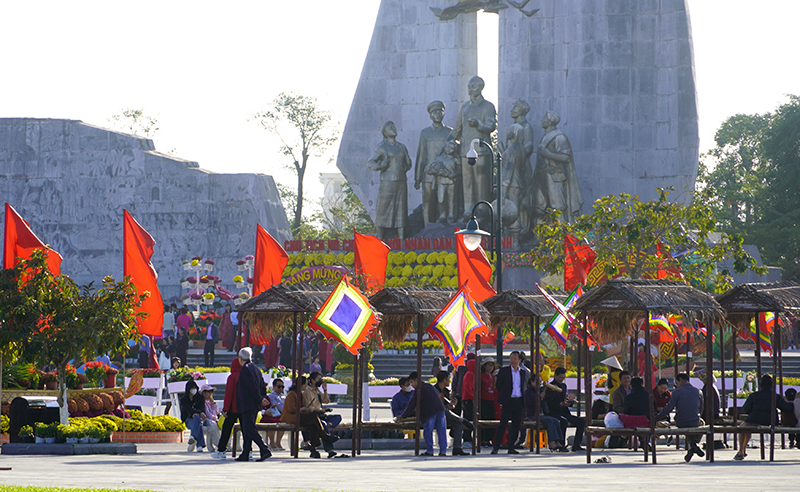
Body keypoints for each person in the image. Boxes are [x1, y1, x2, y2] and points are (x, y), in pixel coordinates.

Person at [450, 75, 497, 218]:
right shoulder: (464, 107)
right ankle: (468, 210)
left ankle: (482, 210)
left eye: (473, 87)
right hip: (465, 151)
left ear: (481, 88)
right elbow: (457, 129)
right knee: (468, 181)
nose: (470, 90)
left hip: (482, 151)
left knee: (481, 182)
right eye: (469, 87)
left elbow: (491, 125)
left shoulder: (488, 106)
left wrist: (478, 124)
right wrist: (448, 142)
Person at [367, 121, 412, 240]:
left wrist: (408, 164)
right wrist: (381, 165)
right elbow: (370, 163)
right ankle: (380, 237)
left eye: (394, 126)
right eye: (390, 127)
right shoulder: (381, 147)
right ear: (385, 132)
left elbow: (408, 163)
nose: (394, 128)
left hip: (401, 181)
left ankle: (401, 238)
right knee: (384, 207)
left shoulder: (402, 147)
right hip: (387, 181)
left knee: (401, 208)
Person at [735, 374, 794, 460]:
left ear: (760, 384)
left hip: (754, 418)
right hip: (770, 419)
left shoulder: (754, 395)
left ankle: (741, 450)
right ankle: (742, 450)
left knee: (742, 428)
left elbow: (746, 409)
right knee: (745, 427)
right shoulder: (776, 396)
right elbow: (786, 408)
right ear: (772, 384)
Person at [280, 376, 338, 458]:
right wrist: (301, 409)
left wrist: (304, 409)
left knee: (312, 425)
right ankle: (325, 436)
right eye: (305, 384)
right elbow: (291, 409)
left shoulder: (299, 393)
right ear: (301, 385)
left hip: (298, 415)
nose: (306, 386)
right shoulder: (292, 394)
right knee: (313, 416)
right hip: (291, 417)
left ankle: (313, 449)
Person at [415, 100, 453, 224]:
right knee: (428, 201)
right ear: (430, 115)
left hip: (445, 172)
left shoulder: (449, 132)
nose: (438, 114)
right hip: (428, 173)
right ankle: (427, 227)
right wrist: (417, 177)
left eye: (440, 112)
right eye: (435, 112)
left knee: (444, 200)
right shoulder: (425, 133)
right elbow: (421, 156)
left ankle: (444, 226)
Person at [654, 373, 704, 462]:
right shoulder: (698, 391)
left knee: (687, 425)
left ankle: (693, 445)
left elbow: (669, 408)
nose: (676, 384)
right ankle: (694, 444)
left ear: (680, 380)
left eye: (676, 382)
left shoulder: (676, 392)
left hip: (681, 422)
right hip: (695, 421)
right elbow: (701, 409)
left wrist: (657, 418)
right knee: (701, 423)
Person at [235, 347, 272, 462]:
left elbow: (252, 386)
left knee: (249, 428)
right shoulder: (255, 368)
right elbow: (262, 385)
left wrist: (259, 399)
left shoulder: (245, 369)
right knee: (247, 429)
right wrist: (261, 398)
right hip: (254, 403)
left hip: (247, 403)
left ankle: (264, 448)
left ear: (240, 358)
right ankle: (245, 453)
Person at [399, 371, 448, 456]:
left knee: (428, 431)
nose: (412, 385)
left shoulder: (419, 389)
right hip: (440, 410)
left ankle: (430, 451)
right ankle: (443, 451)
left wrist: (403, 416)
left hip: (429, 412)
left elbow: (412, 404)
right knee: (441, 431)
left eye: (411, 382)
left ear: (416, 380)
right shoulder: (429, 386)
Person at [491, 351, 529, 454]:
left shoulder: (522, 372)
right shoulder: (504, 371)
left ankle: (511, 446)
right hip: (508, 401)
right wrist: (505, 395)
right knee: (503, 424)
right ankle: (496, 447)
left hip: (518, 400)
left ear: (519, 360)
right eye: (511, 358)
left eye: (515, 358)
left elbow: (523, 385)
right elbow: (498, 385)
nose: (513, 360)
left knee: (516, 425)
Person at [544, 366, 585, 452]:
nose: (562, 379)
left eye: (563, 377)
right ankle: (561, 444)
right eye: (560, 377)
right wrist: (560, 404)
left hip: (564, 411)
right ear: (555, 375)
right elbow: (549, 403)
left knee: (582, 421)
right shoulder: (550, 387)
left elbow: (565, 398)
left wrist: (570, 402)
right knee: (563, 421)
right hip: (554, 412)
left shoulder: (563, 386)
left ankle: (576, 444)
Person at [524, 373, 568, 452]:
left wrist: (551, 392)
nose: (540, 383)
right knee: (549, 421)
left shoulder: (541, 391)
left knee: (555, 420)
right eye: (537, 382)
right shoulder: (528, 392)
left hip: (541, 414)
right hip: (532, 414)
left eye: (540, 381)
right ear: (532, 382)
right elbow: (528, 404)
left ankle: (558, 441)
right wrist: (538, 398)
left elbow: (547, 401)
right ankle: (551, 442)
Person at [434, 370, 471, 455]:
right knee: (444, 412)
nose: (449, 381)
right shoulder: (434, 390)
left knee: (458, 424)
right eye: (448, 379)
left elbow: (447, 406)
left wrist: (451, 405)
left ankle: (457, 447)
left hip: (444, 415)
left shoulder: (446, 391)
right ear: (444, 380)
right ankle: (463, 420)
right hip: (435, 416)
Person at [211, 358, 241, 459]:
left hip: (233, 407)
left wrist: (225, 409)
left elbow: (229, 394)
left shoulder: (232, 377)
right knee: (246, 429)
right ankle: (248, 450)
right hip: (245, 407)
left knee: (227, 428)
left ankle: (221, 450)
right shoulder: (246, 376)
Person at [180, 379, 207, 452]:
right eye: (192, 388)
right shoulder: (184, 400)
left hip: (199, 419)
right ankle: (200, 445)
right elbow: (188, 410)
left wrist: (198, 413)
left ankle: (193, 436)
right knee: (198, 421)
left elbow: (202, 408)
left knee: (197, 419)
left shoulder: (200, 397)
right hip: (188, 420)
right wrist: (195, 413)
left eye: (195, 388)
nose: (194, 390)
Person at [479, 357, 497, 447]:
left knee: (491, 419)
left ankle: (488, 438)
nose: (490, 367)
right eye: (488, 365)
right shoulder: (481, 375)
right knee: (483, 419)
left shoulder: (492, 376)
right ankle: (482, 439)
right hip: (483, 399)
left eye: (491, 365)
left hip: (491, 399)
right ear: (484, 366)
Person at [265, 378, 286, 450]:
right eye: (279, 386)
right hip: (274, 414)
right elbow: (275, 406)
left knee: (284, 422)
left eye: (282, 387)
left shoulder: (283, 396)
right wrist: (283, 413)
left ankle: (278, 442)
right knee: (272, 423)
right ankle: (272, 442)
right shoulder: (271, 396)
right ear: (274, 387)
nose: (281, 388)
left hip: (282, 415)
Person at [201, 384, 221, 452]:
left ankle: (227, 444)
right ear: (204, 393)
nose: (210, 394)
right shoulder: (202, 402)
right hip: (205, 420)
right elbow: (208, 414)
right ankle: (218, 443)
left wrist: (214, 404)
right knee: (213, 425)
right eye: (209, 392)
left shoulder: (210, 401)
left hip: (212, 419)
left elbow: (216, 412)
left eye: (211, 392)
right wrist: (215, 420)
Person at [461, 358, 476, 444]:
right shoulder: (470, 374)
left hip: (466, 398)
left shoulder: (468, 373)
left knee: (469, 417)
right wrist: (473, 398)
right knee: (469, 418)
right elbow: (468, 389)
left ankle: (467, 437)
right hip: (468, 399)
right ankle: (467, 438)